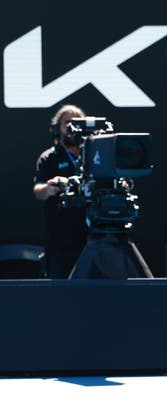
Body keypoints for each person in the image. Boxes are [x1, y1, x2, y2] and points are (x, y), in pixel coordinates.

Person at [33, 104, 88, 278]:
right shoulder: (49, 157)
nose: (73, 126)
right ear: (58, 128)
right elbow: (38, 190)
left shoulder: (95, 154)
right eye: (68, 122)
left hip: (93, 237)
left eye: (77, 122)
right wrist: (49, 189)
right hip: (61, 239)